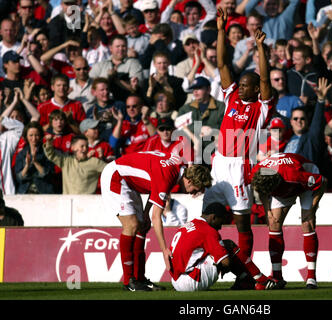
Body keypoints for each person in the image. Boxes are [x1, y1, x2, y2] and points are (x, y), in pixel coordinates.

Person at [202, 9, 275, 269]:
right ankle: (210, 262)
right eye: (240, 84)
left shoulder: (261, 108)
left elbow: (265, 77)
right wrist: (221, 29)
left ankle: (245, 271)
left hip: (239, 168)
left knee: (242, 222)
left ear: (256, 89)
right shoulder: (231, 97)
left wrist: (260, 47)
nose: (240, 87)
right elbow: (222, 64)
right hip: (219, 163)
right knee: (208, 215)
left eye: (246, 85)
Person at [100, 151, 212, 291]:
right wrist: (165, 250)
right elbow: (156, 217)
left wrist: (145, 213)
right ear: (189, 181)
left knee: (142, 226)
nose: (194, 193)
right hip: (116, 177)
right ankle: (129, 281)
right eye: (196, 189)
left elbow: (155, 184)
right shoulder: (168, 176)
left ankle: (139, 279)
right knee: (132, 225)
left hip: (127, 180)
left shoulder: (177, 168)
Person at [249, 152, 327, 289]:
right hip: (282, 183)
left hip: (302, 180)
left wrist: (313, 208)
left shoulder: (295, 176)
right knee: (273, 223)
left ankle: (311, 277)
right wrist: (267, 210)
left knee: (307, 223)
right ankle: (277, 276)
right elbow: (261, 190)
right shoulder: (257, 172)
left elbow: (323, 182)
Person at [169, 202, 282, 291]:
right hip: (191, 281)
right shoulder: (208, 230)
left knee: (218, 251)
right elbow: (226, 262)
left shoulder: (189, 224)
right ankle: (262, 281)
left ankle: (245, 280)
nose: (220, 227)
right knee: (228, 246)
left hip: (176, 280)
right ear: (213, 217)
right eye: (220, 221)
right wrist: (225, 265)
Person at [284, 78, 331, 167]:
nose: (299, 121)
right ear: (291, 122)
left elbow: (317, 123)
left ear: (307, 121)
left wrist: (320, 101)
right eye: (295, 118)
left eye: (302, 119)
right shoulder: (286, 138)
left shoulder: (311, 138)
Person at [14, 121, 55, 194]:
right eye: (31, 135)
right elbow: (19, 178)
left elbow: (49, 176)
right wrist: (27, 165)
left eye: (37, 135)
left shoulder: (47, 152)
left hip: (44, 192)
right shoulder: (21, 154)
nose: (34, 138)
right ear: (26, 136)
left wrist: (35, 162)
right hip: (25, 192)